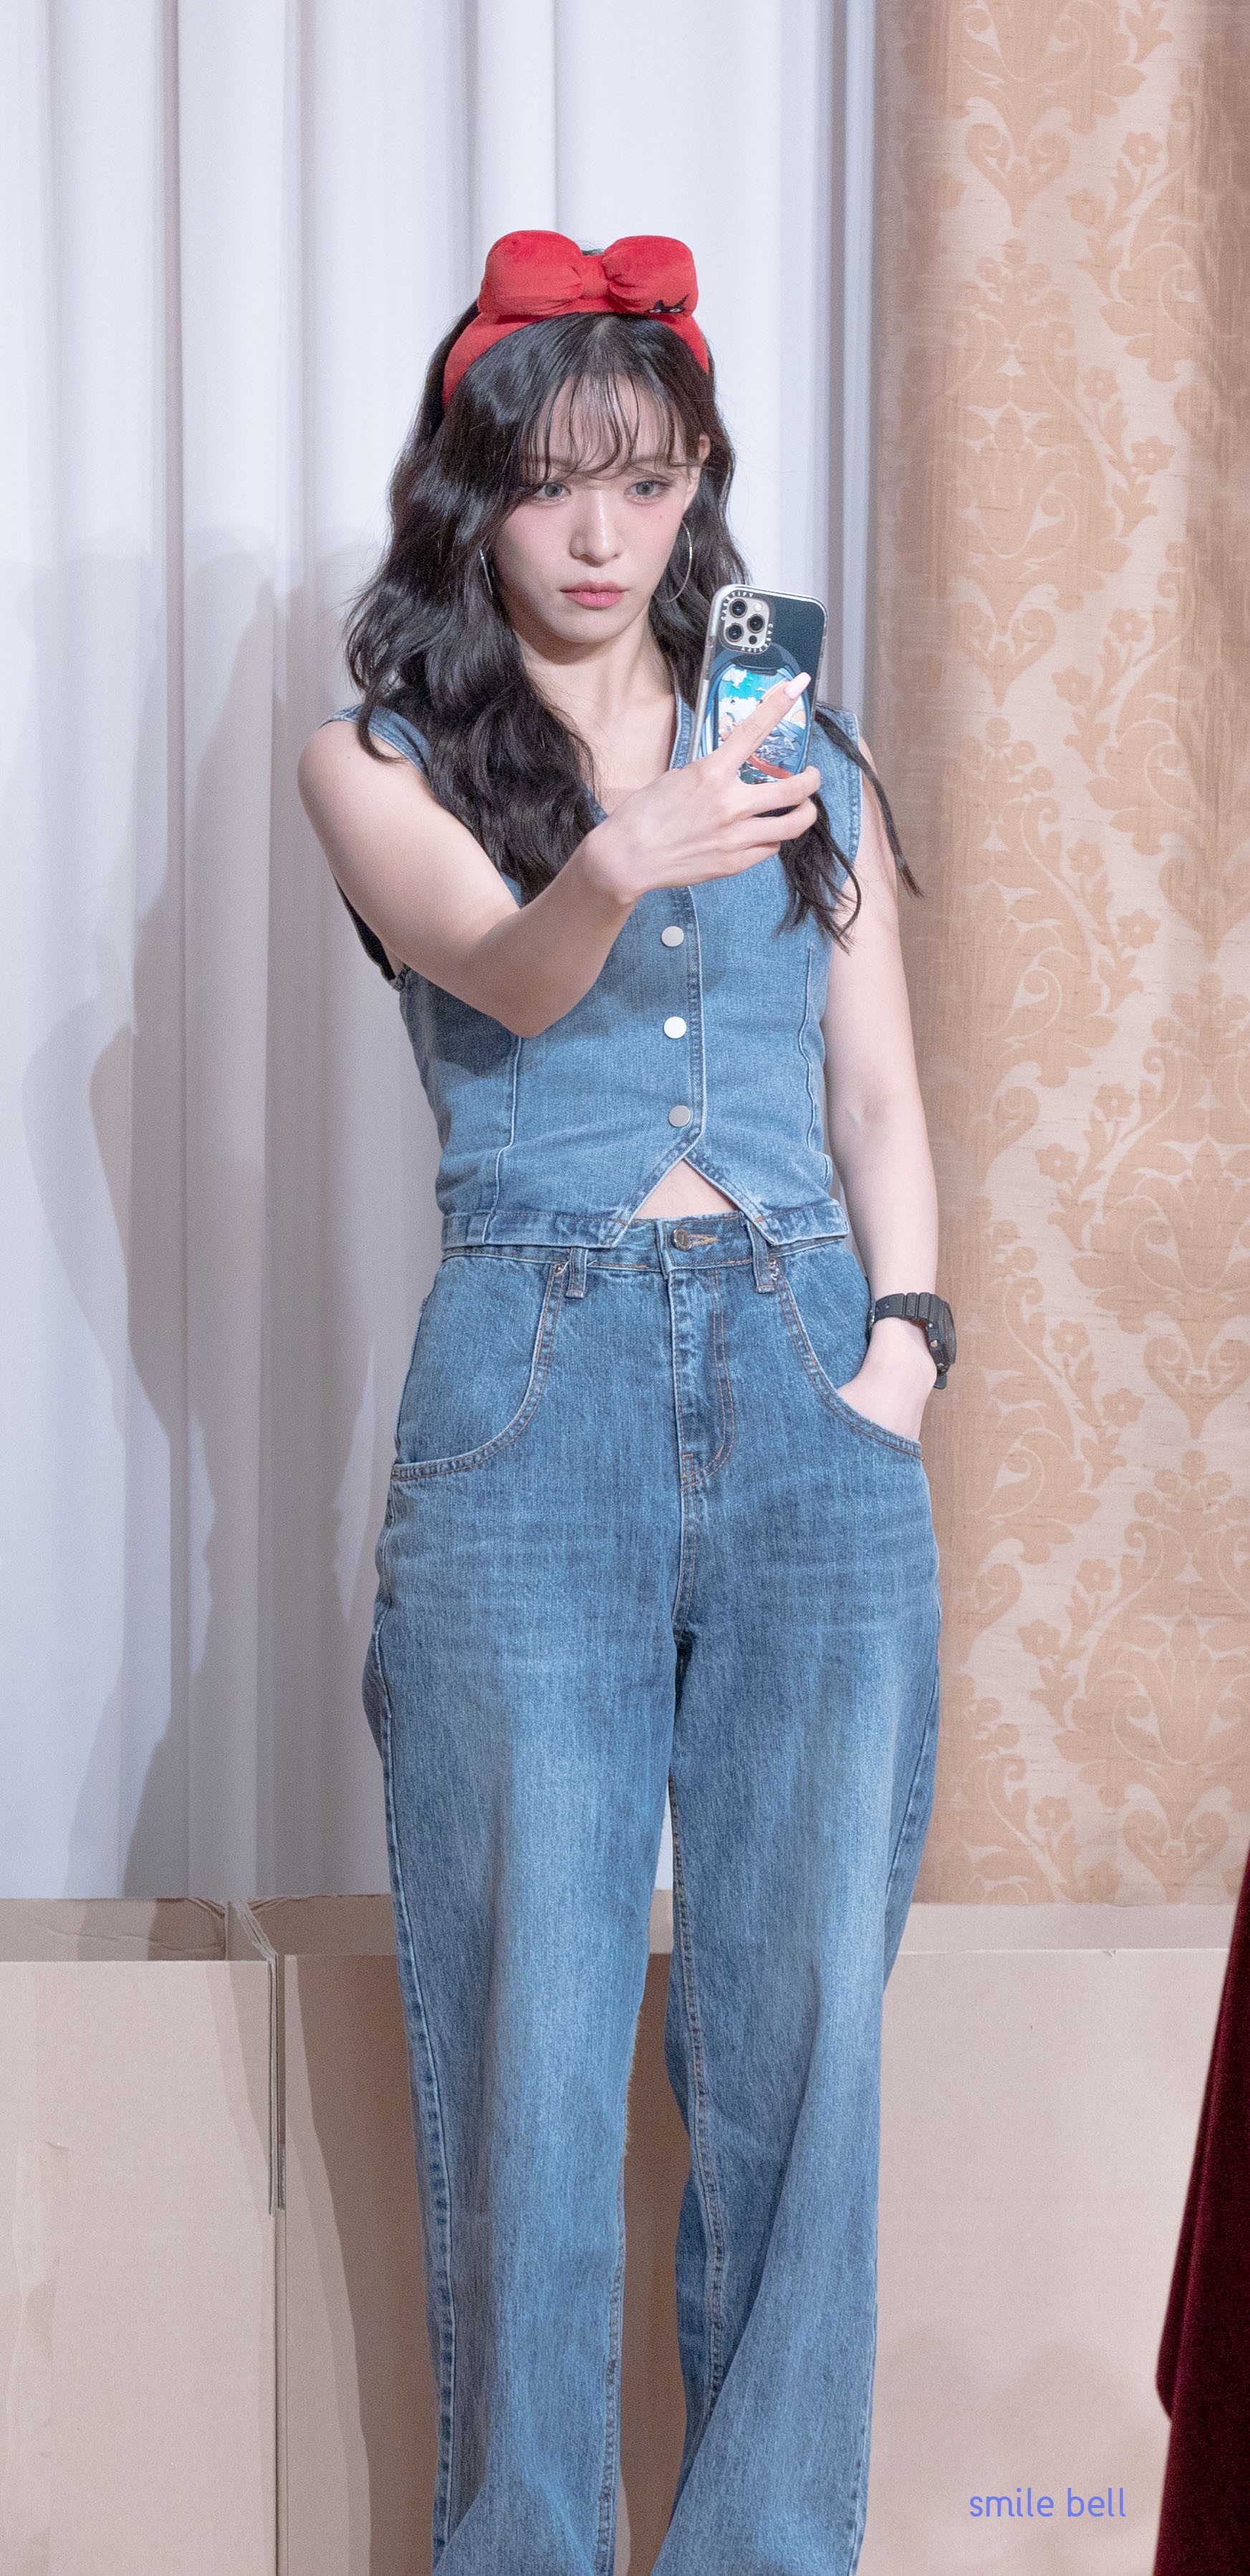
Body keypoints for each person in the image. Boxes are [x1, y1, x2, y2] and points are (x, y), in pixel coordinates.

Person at [297, 228, 951, 2576]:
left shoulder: (801, 754)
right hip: (528, 1405)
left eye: (648, 482)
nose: (599, 535)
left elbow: (875, 1099)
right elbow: (495, 969)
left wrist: (901, 1354)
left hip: (807, 1392)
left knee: (800, 2047)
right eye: (551, 482)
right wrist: (623, 849)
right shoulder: (372, 758)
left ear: (699, 492)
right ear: (468, 492)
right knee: (533, 2045)